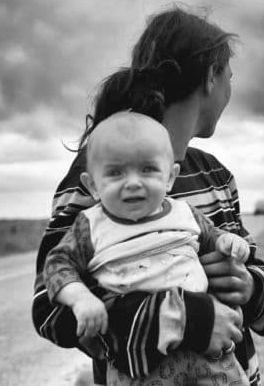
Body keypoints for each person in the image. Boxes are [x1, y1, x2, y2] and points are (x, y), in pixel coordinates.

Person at [31, 5, 264, 386]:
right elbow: (49, 308)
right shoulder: (97, 175)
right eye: (230, 76)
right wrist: (187, 318)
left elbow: (256, 278)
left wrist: (248, 285)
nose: (133, 182)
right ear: (211, 78)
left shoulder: (216, 176)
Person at [43, 111, 251, 385]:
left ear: (170, 177)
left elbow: (213, 237)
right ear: (92, 185)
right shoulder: (90, 226)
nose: (133, 182)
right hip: (139, 363)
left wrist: (229, 242)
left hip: (208, 351)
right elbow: (56, 265)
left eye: (148, 169)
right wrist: (81, 298)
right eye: (115, 172)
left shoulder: (185, 213)